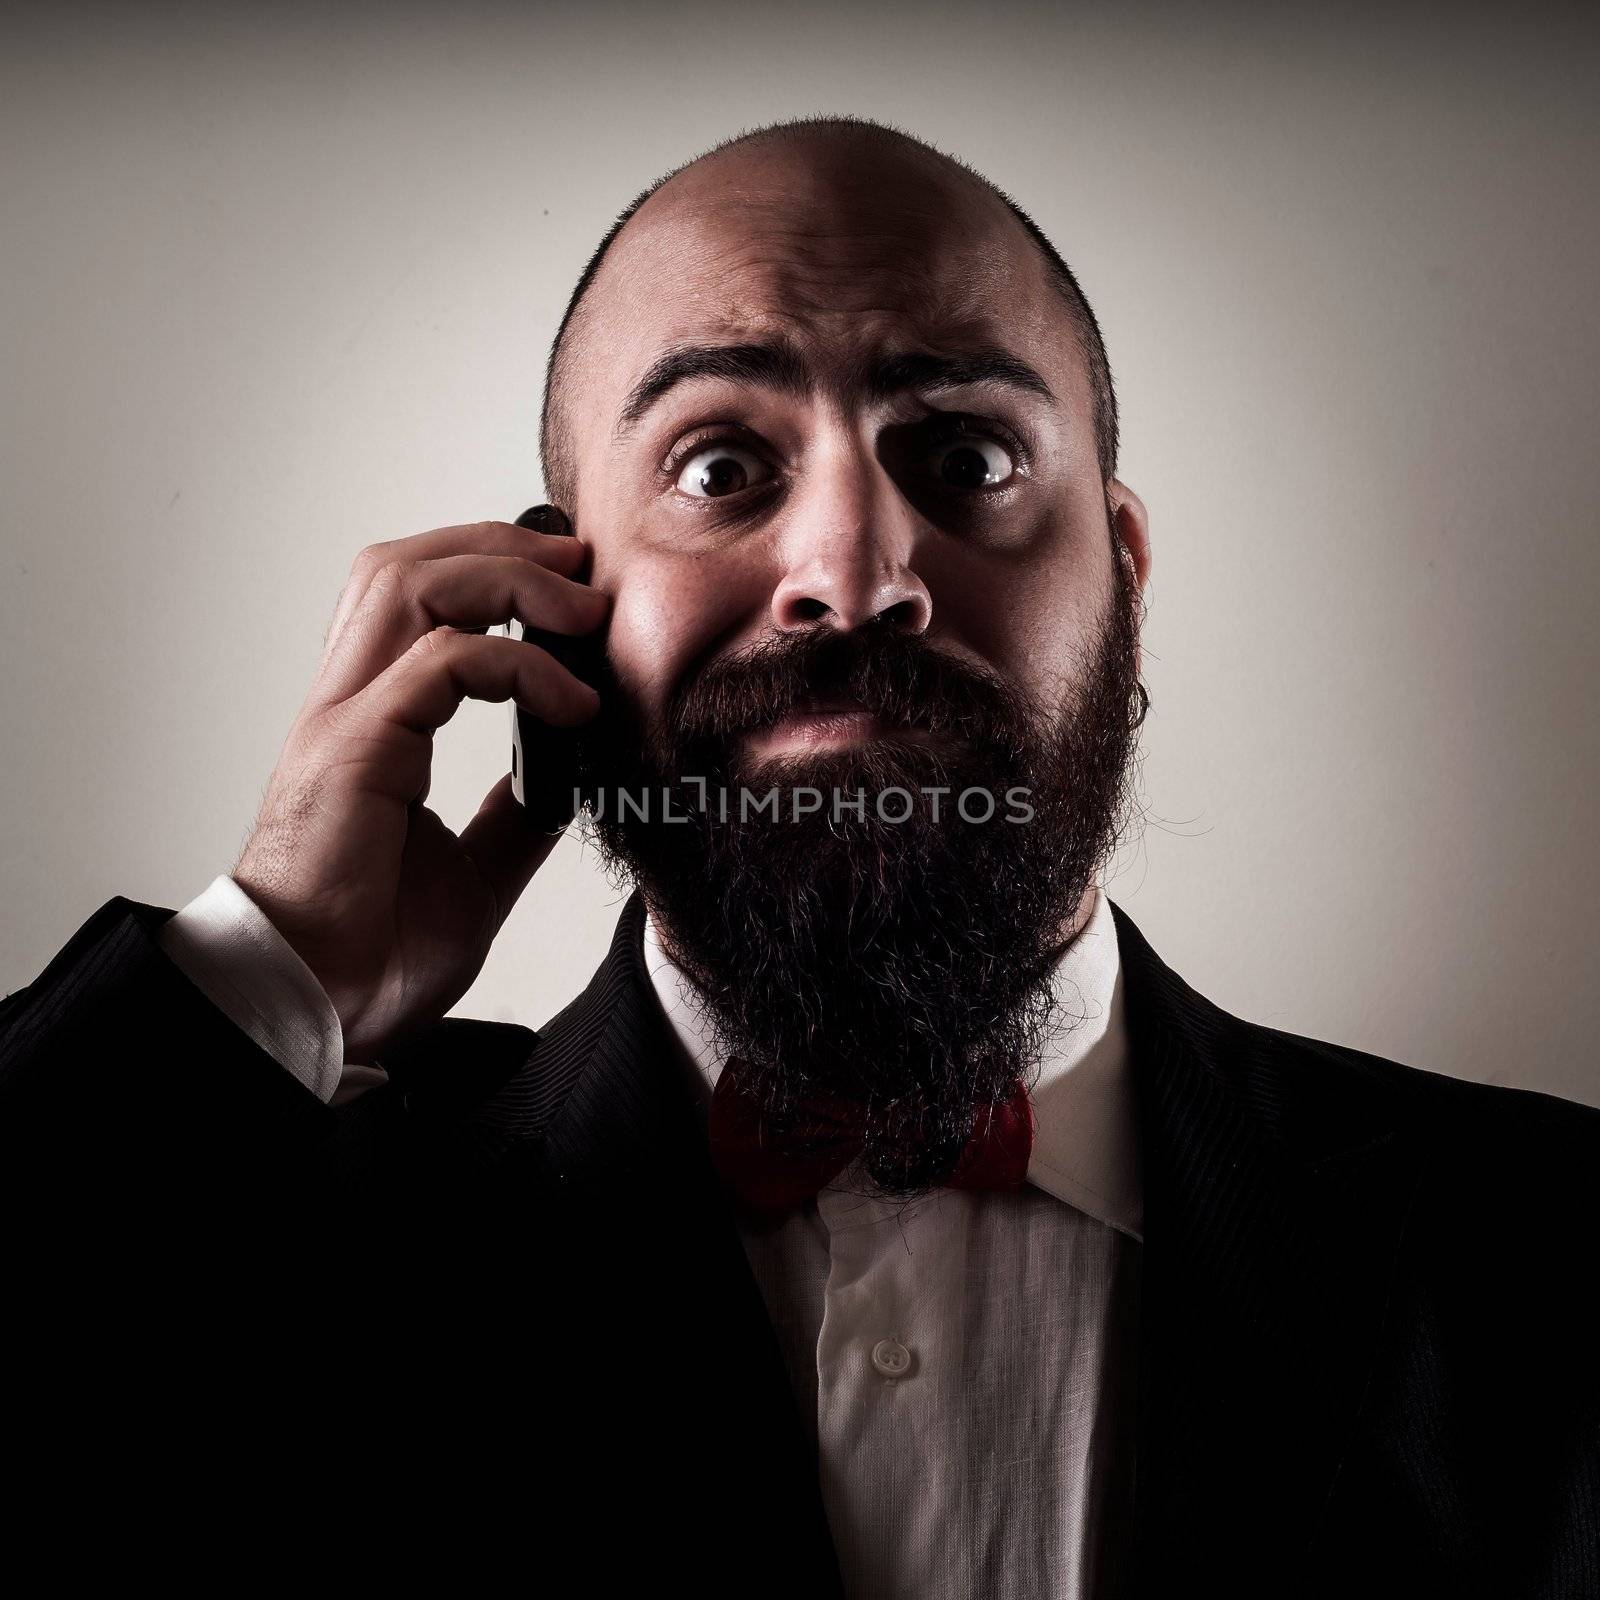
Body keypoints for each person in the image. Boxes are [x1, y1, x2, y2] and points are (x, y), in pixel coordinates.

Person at [2, 115, 1596, 1598]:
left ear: (1120, 571)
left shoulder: (1554, 1244)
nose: (851, 570)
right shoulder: (276, 1262)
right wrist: (267, 964)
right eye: (718, 467)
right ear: (551, 588)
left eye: (965, 456)